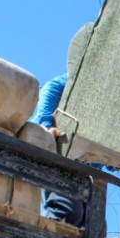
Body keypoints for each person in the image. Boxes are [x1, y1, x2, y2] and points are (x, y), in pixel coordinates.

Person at [28, 73, 87, 227]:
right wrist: (47, 125)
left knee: (94, 224)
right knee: (66, 209)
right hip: (61, 148)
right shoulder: (84, 77)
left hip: (85, 164)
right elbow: (53, 87)